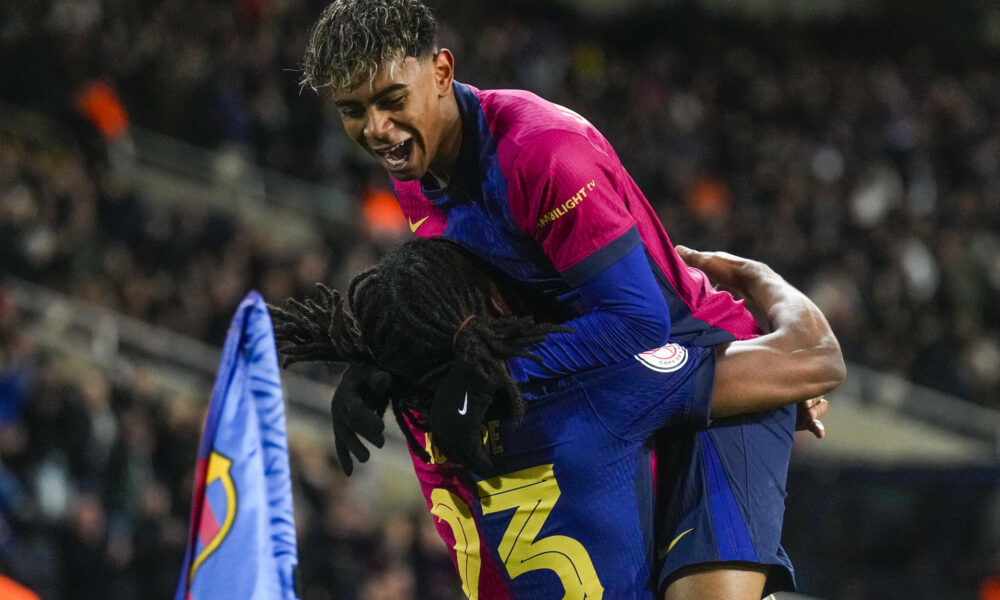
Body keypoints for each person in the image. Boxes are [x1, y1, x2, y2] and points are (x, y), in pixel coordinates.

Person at [298, 1, 833, 596]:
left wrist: (490, 375)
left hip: (697, 363)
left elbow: (639, 324)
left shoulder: (542, 153)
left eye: (392, 100)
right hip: (607, 388)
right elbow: (477, 303)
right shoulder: (413, 168)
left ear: (442, 72)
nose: (374, 128)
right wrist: (385, 366)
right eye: (353, 110)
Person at [271, 239, 842, 599]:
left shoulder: (419, 416)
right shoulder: (597, 389)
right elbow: (816, 358)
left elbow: (408, 350)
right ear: (488, 309)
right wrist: (751, 273)